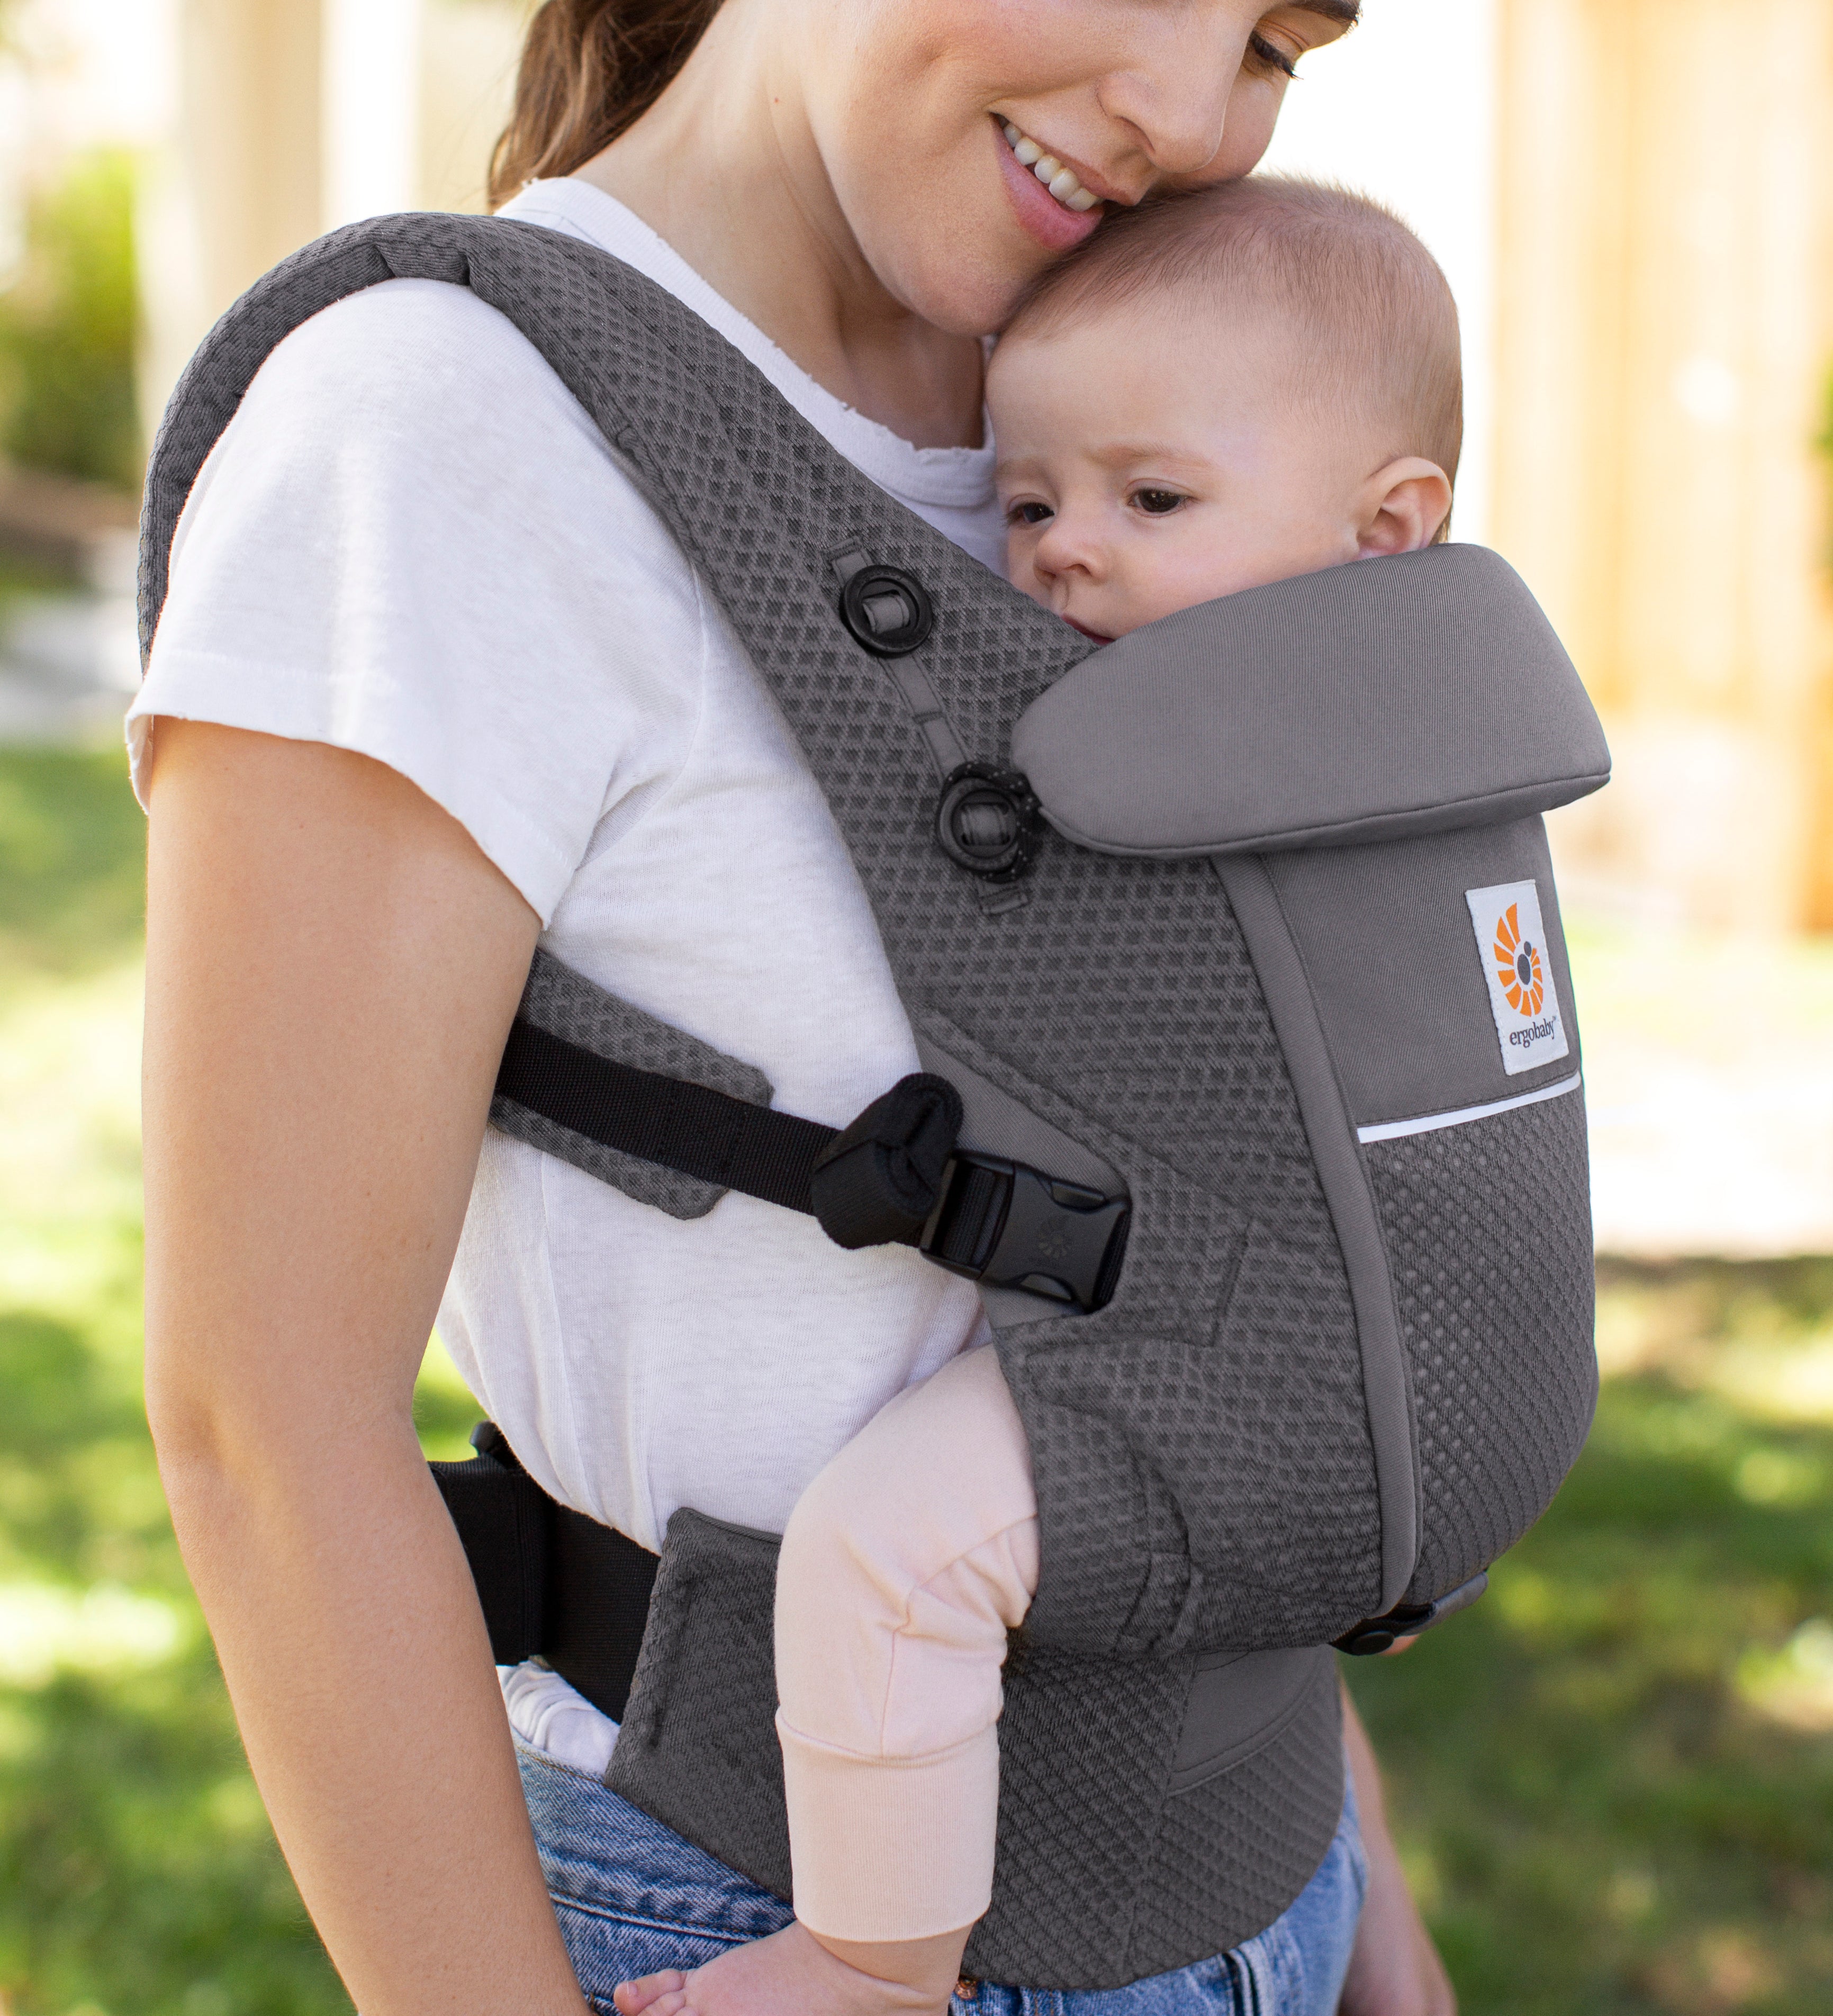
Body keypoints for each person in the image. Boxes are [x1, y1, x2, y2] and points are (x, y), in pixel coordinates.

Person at [134, 2, 1455, 2012]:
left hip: (1265, 1878)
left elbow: (1199, 1251)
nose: (1197, 115)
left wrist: (1366, 1915)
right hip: (748, 1916)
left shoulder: (1117, 429)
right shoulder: (444, 435)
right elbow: (266, 1426)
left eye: (1281, 36)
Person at [609, 176, 1460, 2016]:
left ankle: (869, 1958)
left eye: (1150, 500)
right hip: (1329, 1452)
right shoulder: (1436, 733)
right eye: (1029, 501)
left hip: (1230, 1380)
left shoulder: (1228, 760)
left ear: (1392, 533)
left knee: (889, 1550)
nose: (1064, 553)